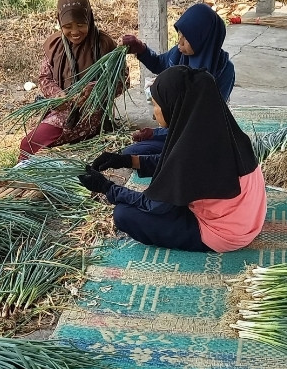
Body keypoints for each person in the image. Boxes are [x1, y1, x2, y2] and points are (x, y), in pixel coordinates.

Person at [78, 66, 266, 253]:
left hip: (225, 233)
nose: (154, 113)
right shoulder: (220, 130)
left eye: (156, 104)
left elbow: (154, 205)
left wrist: (107, 188)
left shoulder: (192, 155)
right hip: (249, 220)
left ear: (175, 105)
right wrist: (127, 160)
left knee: (124, 214)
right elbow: (173, 165)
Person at [120, 3, 236, 158]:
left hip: (201, 135)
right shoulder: (180, 54)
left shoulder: (223, 70)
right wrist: (140, 48)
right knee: (131, 153)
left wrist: (156, 134)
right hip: (174, 131)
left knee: (186, 159)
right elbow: (160, 63)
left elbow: (203, 118)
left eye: (186, 38)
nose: (179, 42)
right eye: (179, 35)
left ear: (202, 39)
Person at [18, 0, 125, 161]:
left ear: (89, 18)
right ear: (59, 22)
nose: (75, 31)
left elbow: (123, 80)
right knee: (29, 145)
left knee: (29, 144)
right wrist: (57, 95)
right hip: (62, 108)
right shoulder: (54, 45)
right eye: (68, 26)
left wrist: (96, 90)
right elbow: (44, 78)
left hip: (91, 114)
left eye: (81, 24)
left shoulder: (105, 45)